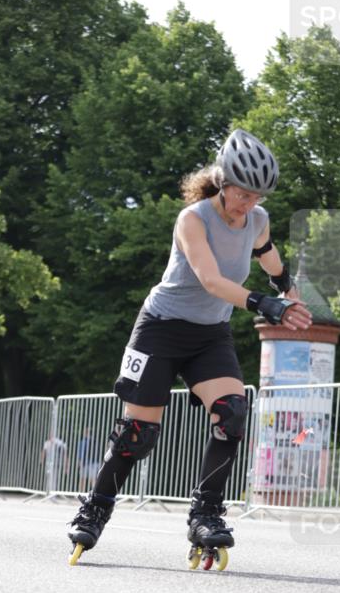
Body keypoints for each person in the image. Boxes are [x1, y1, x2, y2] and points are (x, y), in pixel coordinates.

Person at [68, 128, 312, 569]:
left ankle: (206, 514)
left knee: (233, 415)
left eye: (257, 196)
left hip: (209, 335)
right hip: (160, 329)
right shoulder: (193, 220)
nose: (248, 204)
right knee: (137, 434)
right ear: (223, 181)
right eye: (242, 194)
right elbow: (211, 280)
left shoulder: (257, 219)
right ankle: (96, 507)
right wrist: (265, 304)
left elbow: (268, 254)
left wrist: (287, 289)